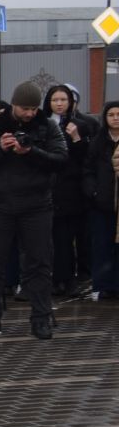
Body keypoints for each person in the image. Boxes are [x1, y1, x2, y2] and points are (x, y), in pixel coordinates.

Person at [0, 82, 69, 339]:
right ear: (13, 104)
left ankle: (41, 318)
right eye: (25, 108)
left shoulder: (47, 126)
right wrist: (0, 149)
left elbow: (60, 160)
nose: (29, 114)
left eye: (34, 108)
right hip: (0, 203)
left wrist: (31, 151)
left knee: (39, 263)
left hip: (37, 205)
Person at [45, 84, 99, 296]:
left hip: (70, 190)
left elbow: (85, 159)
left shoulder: (80, 125)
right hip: (48, 188)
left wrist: (76, 139)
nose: (59, 104)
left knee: (67, 238)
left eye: (63, 100)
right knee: (50, 239)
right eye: (55, 100)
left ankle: (68, 280)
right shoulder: (44, 124)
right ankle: (52, 279)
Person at [88, 100, 119, 301]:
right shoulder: (98, 142)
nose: (116, 118)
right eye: (111, 115)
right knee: (102, 245)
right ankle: (102, 285)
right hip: (103, 204)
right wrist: (94, 192)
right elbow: (88, 171)